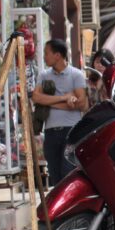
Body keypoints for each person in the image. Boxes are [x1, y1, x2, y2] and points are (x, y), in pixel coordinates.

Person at [31, 39, 87, 186]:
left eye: (46, 53)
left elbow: (81, 104)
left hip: (71, 131)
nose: (44, 57)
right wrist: (64, 97)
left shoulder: (76, 75)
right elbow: (36, 97)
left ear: (57, 55)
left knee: (68, 171)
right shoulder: (44, 75)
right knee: (54, 173)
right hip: (50, 132)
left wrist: (49, 103)